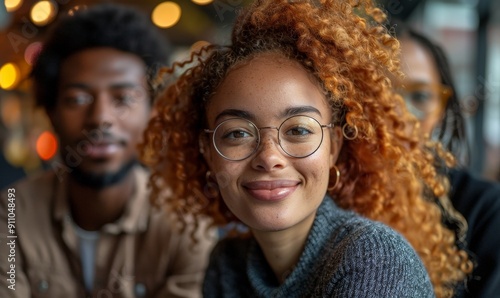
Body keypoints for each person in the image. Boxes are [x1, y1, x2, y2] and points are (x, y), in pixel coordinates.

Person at [140, 0, 472, 297]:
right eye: (238, 134)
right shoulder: (227, 264)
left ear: (334, 147)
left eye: (298, 129)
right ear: (207, 152)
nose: (269, 157)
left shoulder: (375, 260)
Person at [0, 4, 214, 297]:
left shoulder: (188, 226)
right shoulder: (11, 215)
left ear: (152, 112)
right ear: (50, 112)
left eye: (123, 98)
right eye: (78, 98)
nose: (100, 118)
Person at [396, 23, 500, 298]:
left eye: (420, 96)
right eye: (379, 92)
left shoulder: (485, 210)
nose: (399, 114)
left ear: (442, 109)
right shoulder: (316, 201)